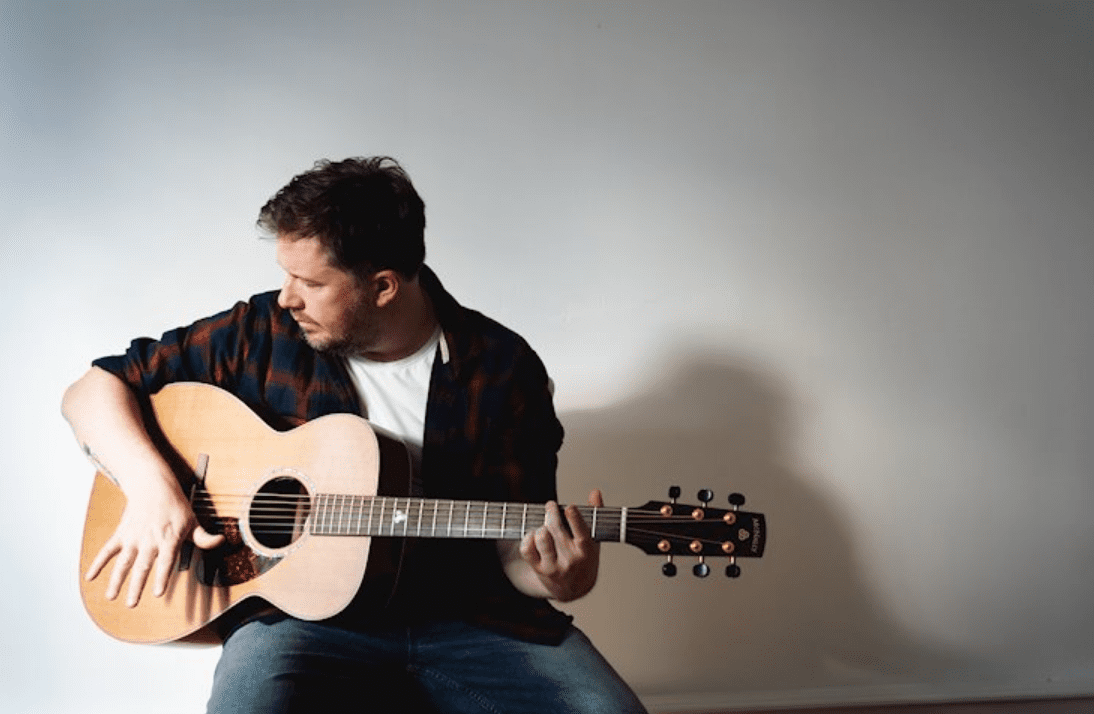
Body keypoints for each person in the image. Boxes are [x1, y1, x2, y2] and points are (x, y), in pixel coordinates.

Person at [61, 157, 648, 713]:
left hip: (469, 620)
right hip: (302, 620)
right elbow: (92, 389)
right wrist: (153, 490)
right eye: (285, 274)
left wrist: (556, 576)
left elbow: (513, 549)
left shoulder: (501, 367)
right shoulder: (262, 331)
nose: (287, 296)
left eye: (309, 282)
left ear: (383, 286)